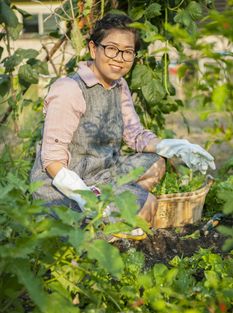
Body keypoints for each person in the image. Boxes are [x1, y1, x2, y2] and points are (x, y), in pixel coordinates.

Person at [30, 13, 215, 241]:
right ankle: (100, 226)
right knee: (148, 206)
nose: (119, 57)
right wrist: (84, 195)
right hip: (63, 186)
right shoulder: (69, 89)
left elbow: (134, 135)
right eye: (111, 48)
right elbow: (52, 161)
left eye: (127, 51)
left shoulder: (119, 86)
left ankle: (116, 214)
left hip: (100, 175)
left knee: (156, 162)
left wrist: (174, 146)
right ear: (92, 49)